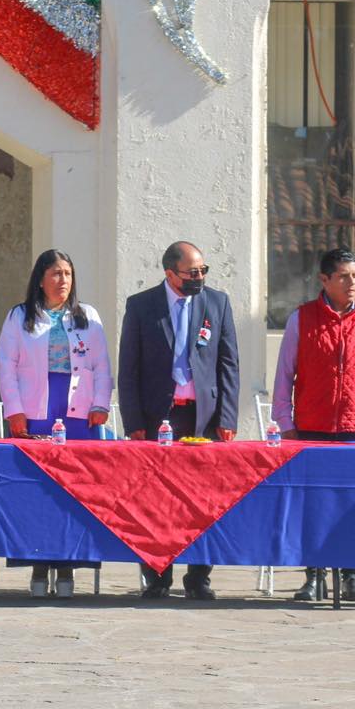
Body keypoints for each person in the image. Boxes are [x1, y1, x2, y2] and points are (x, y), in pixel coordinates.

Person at [272, 247, 355, 603]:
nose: (352, 283)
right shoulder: (302, 319)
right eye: (344, 276)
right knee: (312, 504)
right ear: (324, 280)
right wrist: (286, 422)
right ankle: (313, 576)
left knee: (354, 503)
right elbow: (285, 374)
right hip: (312, 426)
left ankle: (353, 576)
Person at [118, 240, 239, 600]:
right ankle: (157, 577)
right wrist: (133, 420)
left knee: (205, 501)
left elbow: (228, 364)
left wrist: (228, 416)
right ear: (170, 273)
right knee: (155, 501)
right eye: (191, 273)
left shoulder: (217, 303)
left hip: (202, 417)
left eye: (203, 271)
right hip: (159, 416)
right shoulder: (141, 306)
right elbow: (130, 368)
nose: (199, 277)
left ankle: (198, 577)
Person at [0, 249, 112, 599]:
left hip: (80, 413)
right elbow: (6, 364)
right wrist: (14, 410)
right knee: (38, 489)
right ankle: (38, 563)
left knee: (74, 491)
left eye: (68, 274)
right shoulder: (20, 316)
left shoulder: (87, 316)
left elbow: (102, 365)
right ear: (41, 278)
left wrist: (101, 404)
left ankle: (67, 565)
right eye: (56, 274)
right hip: (36, 411)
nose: (63, 280)